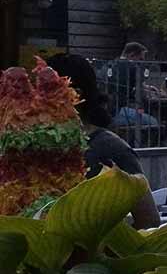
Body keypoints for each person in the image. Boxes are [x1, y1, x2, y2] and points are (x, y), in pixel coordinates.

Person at [47, 53, 161, 230]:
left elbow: (149, 220)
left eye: (44, 90)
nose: (34, 97)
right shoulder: (33, 147)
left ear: (73, 94)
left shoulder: (111, 148)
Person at [109, 41, 159, 132]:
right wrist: (153, 94)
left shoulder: (110, 64)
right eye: (140, 59)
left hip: (107, 111)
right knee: (153, 122)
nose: (141, 62)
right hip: (116, 112)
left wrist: (147, 87)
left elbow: (134, 84)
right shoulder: (132, 67)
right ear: (132, 55)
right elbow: (140, 92)